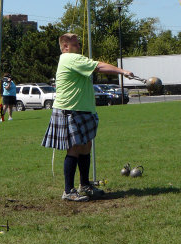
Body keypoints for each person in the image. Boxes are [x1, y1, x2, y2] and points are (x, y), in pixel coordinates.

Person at [42, 33, 134, 202]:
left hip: (82, 110)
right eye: (75, 45)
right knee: (75, 148)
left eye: (78, 44)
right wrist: (122, 71)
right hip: (70, 110)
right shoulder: (70, 59)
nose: (79, 47)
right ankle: (68, 190)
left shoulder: (73, 59)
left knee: (86, 146)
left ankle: (84, 185)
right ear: (65, 47)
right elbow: (98, 66)